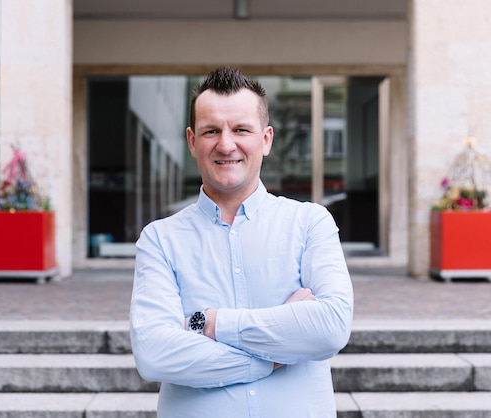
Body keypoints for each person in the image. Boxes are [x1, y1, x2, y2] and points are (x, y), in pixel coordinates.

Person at [130, 66, 353, 418]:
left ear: (266, 139)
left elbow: (331, 328)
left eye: (241, 129)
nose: (226, 144)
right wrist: (274, 356)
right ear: (191, 141)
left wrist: (213, 324)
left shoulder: (311, 223)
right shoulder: (160, 239)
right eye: (211, 131)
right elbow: (155, 354)